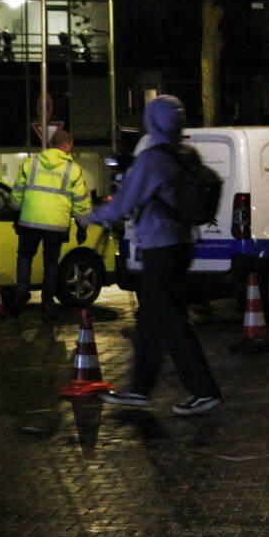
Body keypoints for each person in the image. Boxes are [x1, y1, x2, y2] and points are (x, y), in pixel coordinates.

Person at [79, 95, 222, 416]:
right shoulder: (187, 153)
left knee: (171, 320)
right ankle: (139, 390)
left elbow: (125, 201)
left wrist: (92, 217)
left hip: (161, 248)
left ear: (152, 121)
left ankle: (204, 390)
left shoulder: (151, 159)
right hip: (182, 243)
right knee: (150, 320)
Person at [8, 129, 91, 321]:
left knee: (25, 257)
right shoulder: (73, 169)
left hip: (29, 221)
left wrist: (16, 212)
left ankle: (22, 292)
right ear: (66, 145)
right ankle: (47, 305)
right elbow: (81, 201)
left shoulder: (31, 163)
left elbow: (17, 191)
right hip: (56, 225)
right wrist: (82, 226)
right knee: (51, 264)